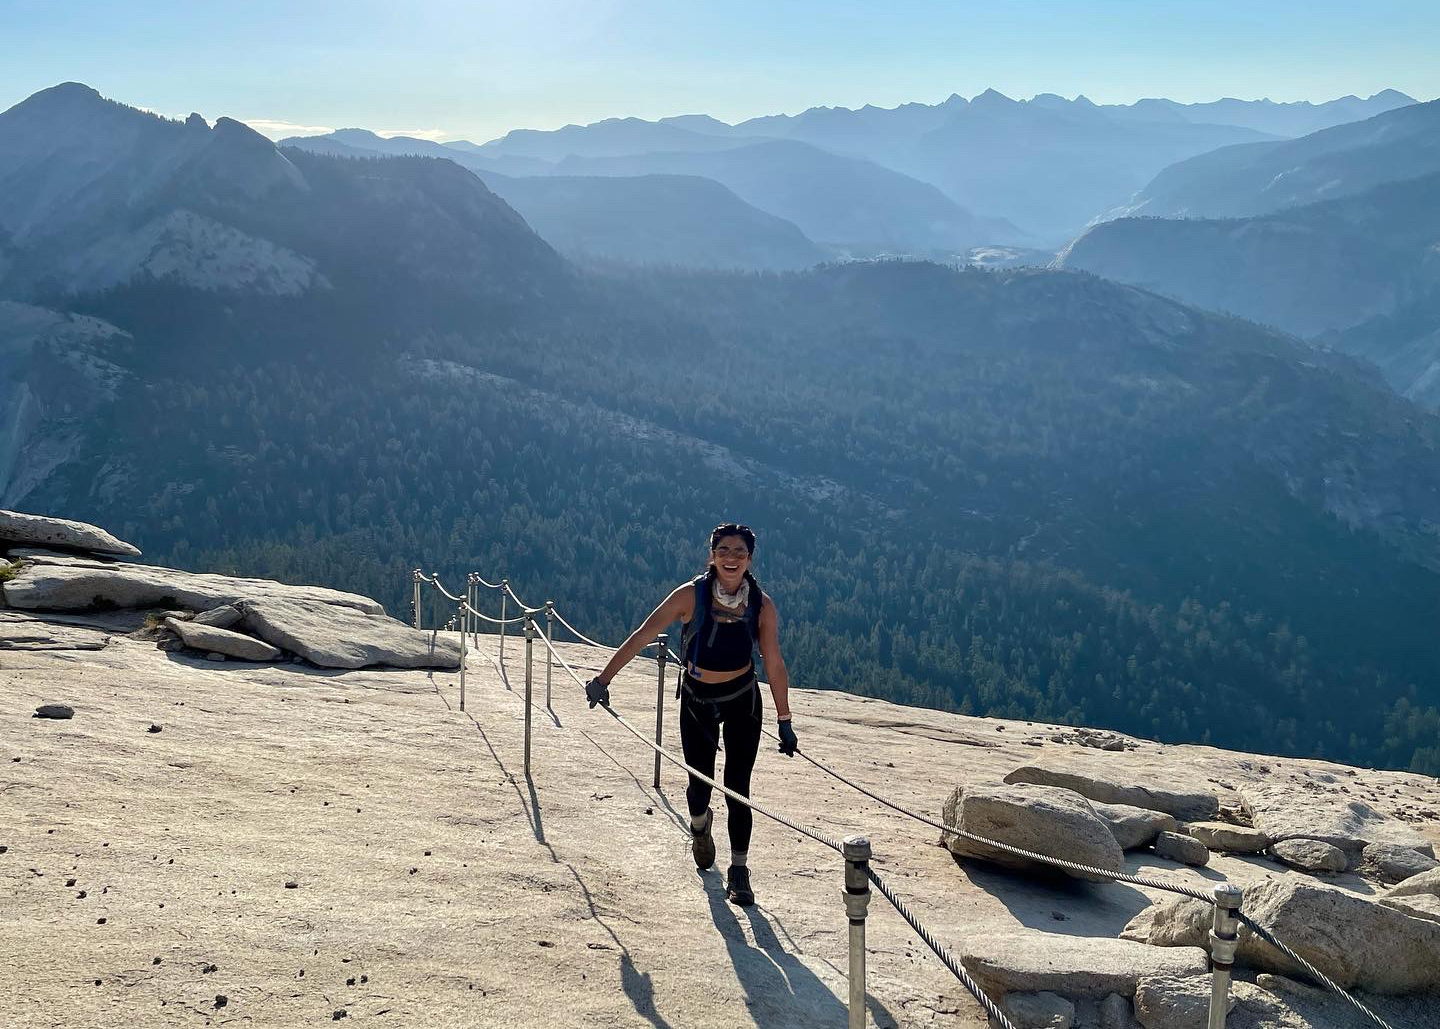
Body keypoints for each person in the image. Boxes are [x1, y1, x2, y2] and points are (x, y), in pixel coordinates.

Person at [584, 523, 797, 907]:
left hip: (742, 699)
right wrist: (604, 678)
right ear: (712, 554)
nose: (731, 558)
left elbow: (774, 662)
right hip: (697, 699)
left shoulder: (762, 605)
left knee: (738, 789)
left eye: (739, 552)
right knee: (698, 789)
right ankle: (700, 828)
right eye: (724, 550)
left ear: (749, 559)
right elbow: (644, 633)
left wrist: (785, 720)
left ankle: (739, 871)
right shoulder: (690, 596)